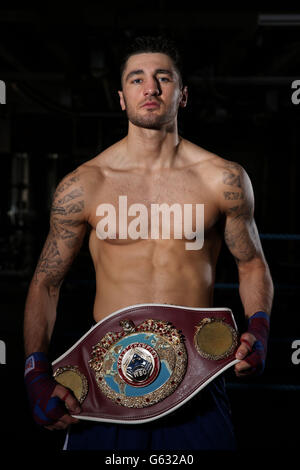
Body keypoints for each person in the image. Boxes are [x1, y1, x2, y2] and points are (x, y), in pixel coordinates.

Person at [23, 36, 273, 450]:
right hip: (105, 381)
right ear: (122, 98)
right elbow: (46, 282)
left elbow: (251, 264)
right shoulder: (84, 185)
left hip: (198, 378)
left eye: (163, 78)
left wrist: (260, 327)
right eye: (137, 79)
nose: (150, 88)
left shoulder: (223, 179)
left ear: (183, 94)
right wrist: (34, 369)